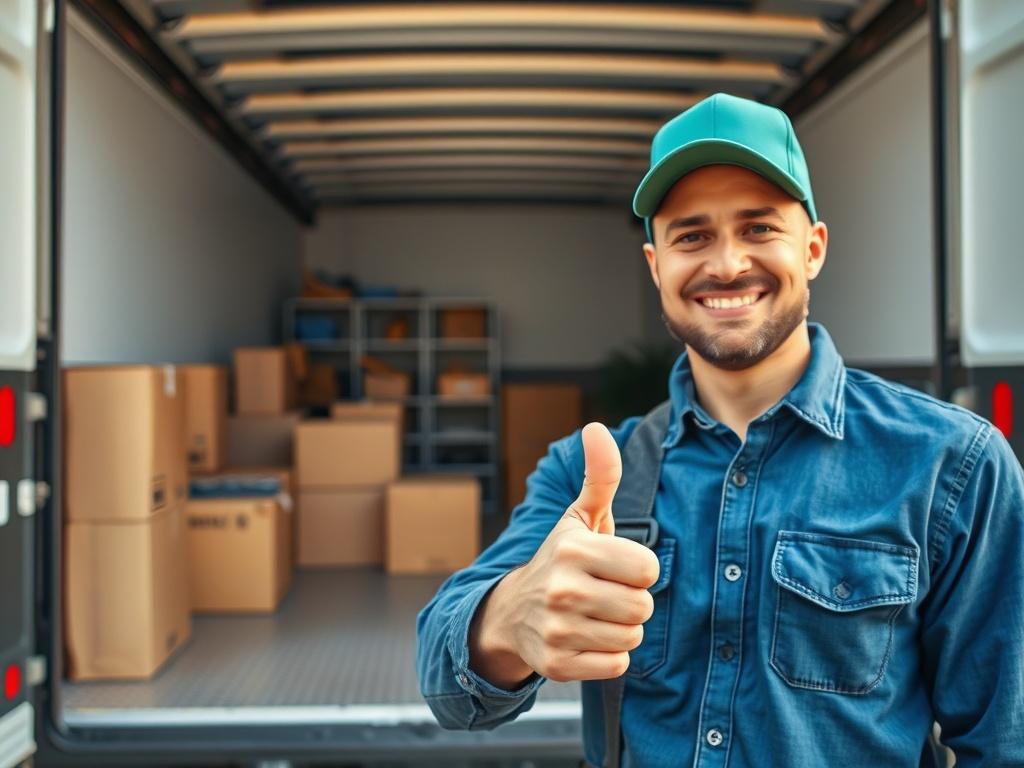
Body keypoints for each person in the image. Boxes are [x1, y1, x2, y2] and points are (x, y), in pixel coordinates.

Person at [415, 92, 1024, 767]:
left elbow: (1005, 740)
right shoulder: (589, 474)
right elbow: (446, 684)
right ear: (656, 265)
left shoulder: (953, 465)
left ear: (814, 248)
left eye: (760, 228)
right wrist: (507, 619)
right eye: (692, 235)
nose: (728, 264)